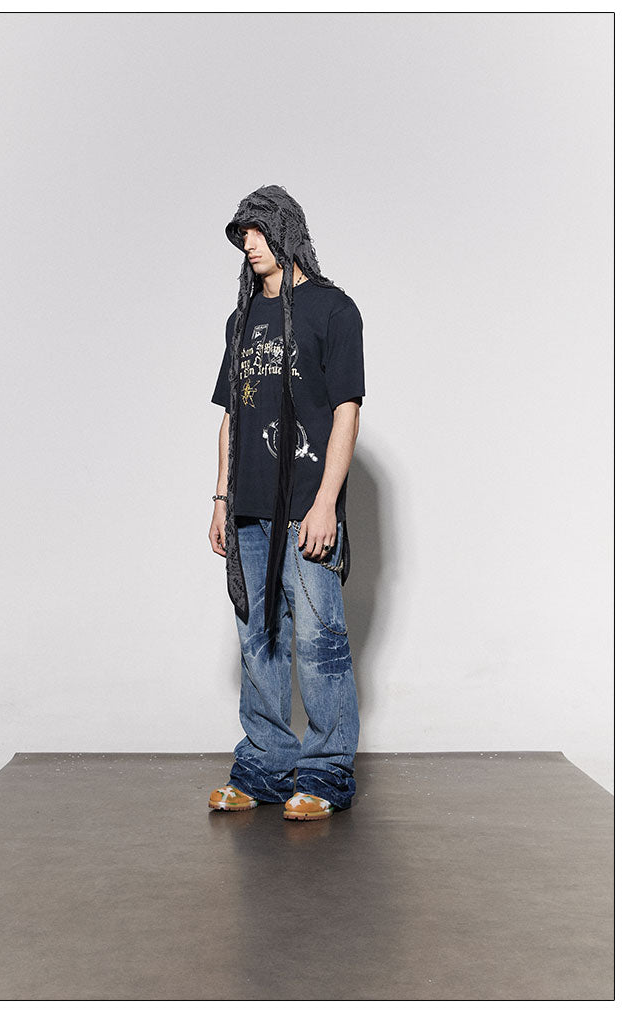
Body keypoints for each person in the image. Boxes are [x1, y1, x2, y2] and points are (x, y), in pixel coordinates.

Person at [207, 184, 365, 821]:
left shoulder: (334, 309)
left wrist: (327, 502)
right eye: (241, 233)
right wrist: (221, 497)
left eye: (258, 230)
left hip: (306, 504)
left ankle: (327, 772)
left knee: (320, 638)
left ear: (286, 232)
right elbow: (231, 416)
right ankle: (266, 764)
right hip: (248, 507)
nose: (248, 243)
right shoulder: (241, 319)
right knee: (258, 637)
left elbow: (347, 411)